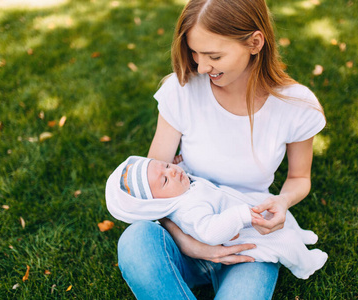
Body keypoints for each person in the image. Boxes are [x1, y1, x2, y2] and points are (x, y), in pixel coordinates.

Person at [116, 0, 327, 299]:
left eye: (214, 55)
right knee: (135, 239)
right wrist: (191, 244)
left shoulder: (296, 106)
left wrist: (282, 202)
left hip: (249, 245)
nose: (201, 67)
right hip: (182, 236)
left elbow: (299, 179)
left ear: (255, 42)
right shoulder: (183, 90)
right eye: (195, 53)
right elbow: (152, 193)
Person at [106, 156, 328, 280]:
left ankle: (301, 234)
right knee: (284, 243)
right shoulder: (186, 209)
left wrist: (178, 162)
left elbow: (177, 172)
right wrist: (240, 215)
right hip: (246, 239)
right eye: (164, 180)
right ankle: (305, 265)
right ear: (157, 203)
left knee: (278, 209)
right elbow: (210, 232)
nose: (172, 172)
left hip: (249, 207)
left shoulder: (182, 186)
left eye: (165, 166)